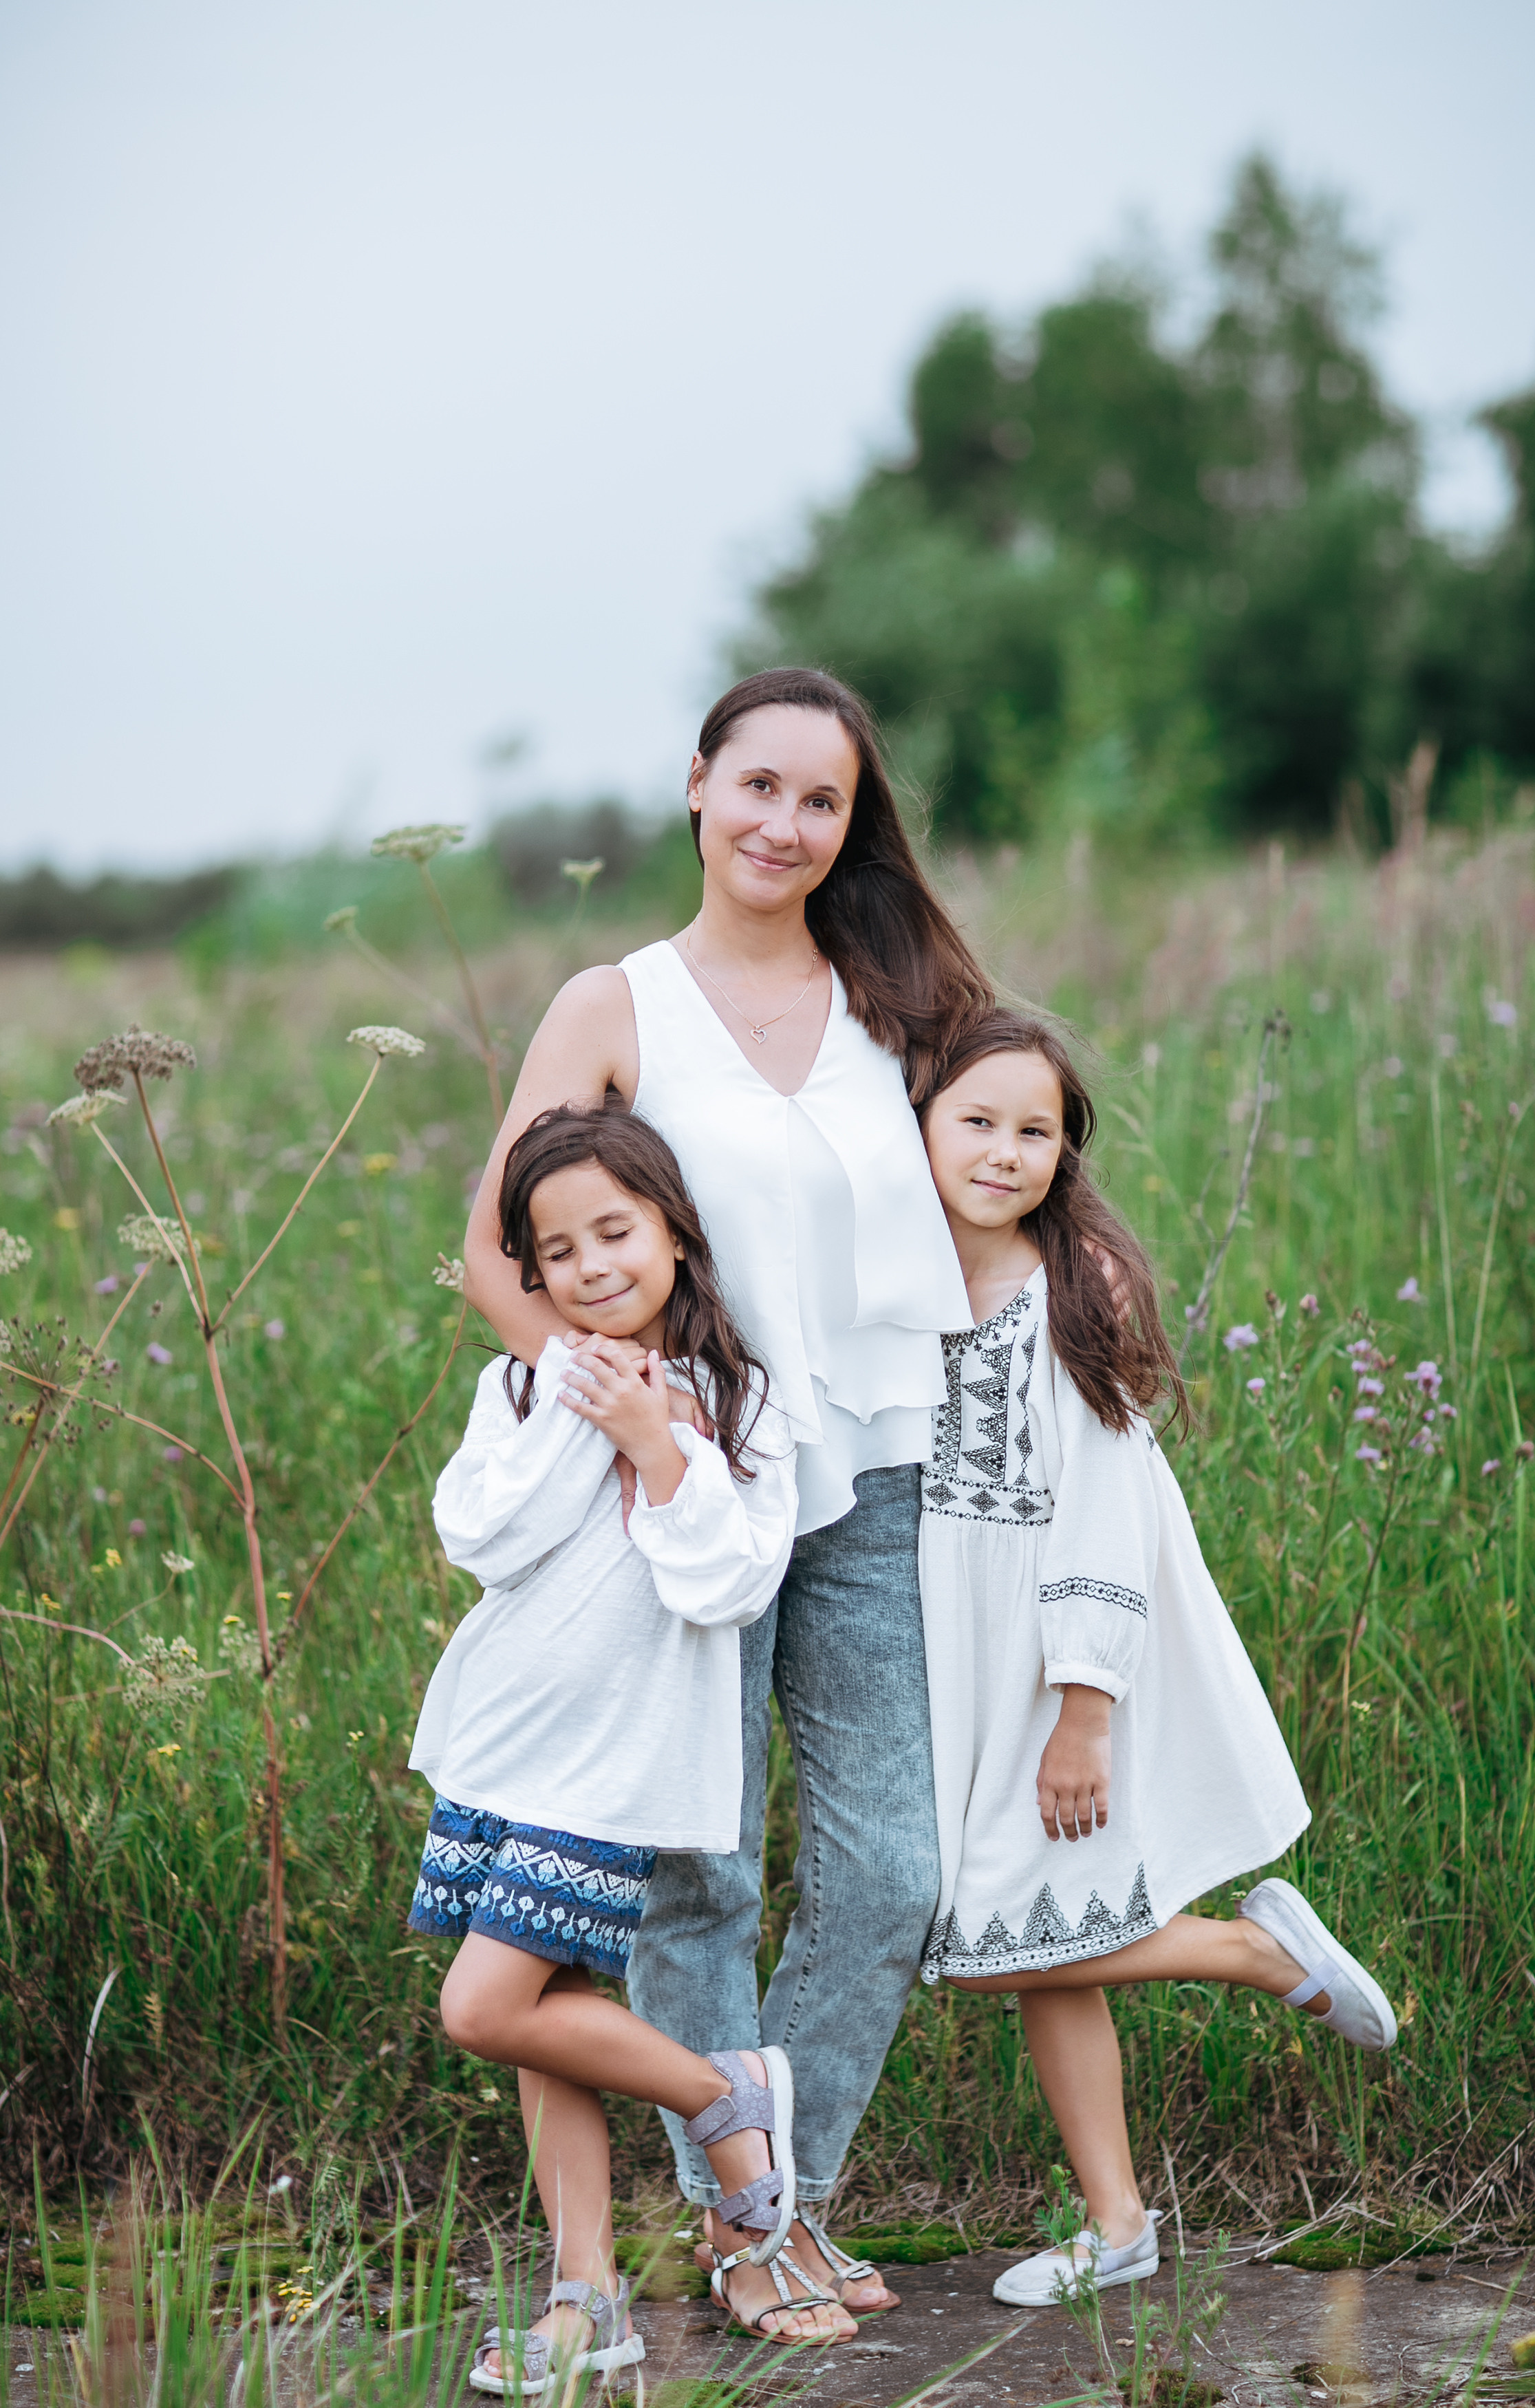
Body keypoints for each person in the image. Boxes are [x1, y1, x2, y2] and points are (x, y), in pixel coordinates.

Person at [462, 667, 991, 2337]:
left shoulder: (893, 997)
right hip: (687, 1478)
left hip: (874, 1468)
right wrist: (613, 1411)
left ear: (851, 827)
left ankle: (787, 2187)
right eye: (756, 786)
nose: (784, 824)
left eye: (820, 801)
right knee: (699, 1871)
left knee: (892, 1870)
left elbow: (1008, 1165)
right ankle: (749, 2230)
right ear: (697, 788)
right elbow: (500, 1245)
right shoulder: (616, 1001)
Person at [915, 1008, 1398, 2306]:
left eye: (1037, 1130)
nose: (1005, 1151)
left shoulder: (1069, 1296)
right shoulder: (894, 1285)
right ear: (917, 1122)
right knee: (1030, 1935)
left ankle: (1251, 1955)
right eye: (977, 1121)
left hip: (1059, 1659)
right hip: (957, 1670)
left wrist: (1084, 1707)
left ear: (1065, 1153)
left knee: (1003, 1936)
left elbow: (1105, 1516)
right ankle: (1118, 2222)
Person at [409, 1104, 841, 2384]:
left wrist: (656, 1447)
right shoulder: (520, 1385)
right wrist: (573, 1415)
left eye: (617, 1230)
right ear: (530, 1274)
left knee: (483, 2009)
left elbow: (727, 1585)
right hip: (506, 1742)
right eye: (560, 1249)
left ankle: (721, 2100)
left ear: (673, 1232)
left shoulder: (742, 1398)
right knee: (548, 2011)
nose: (594, 1266)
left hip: (614, 1763)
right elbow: (481, 1539)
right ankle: (587, 2299)